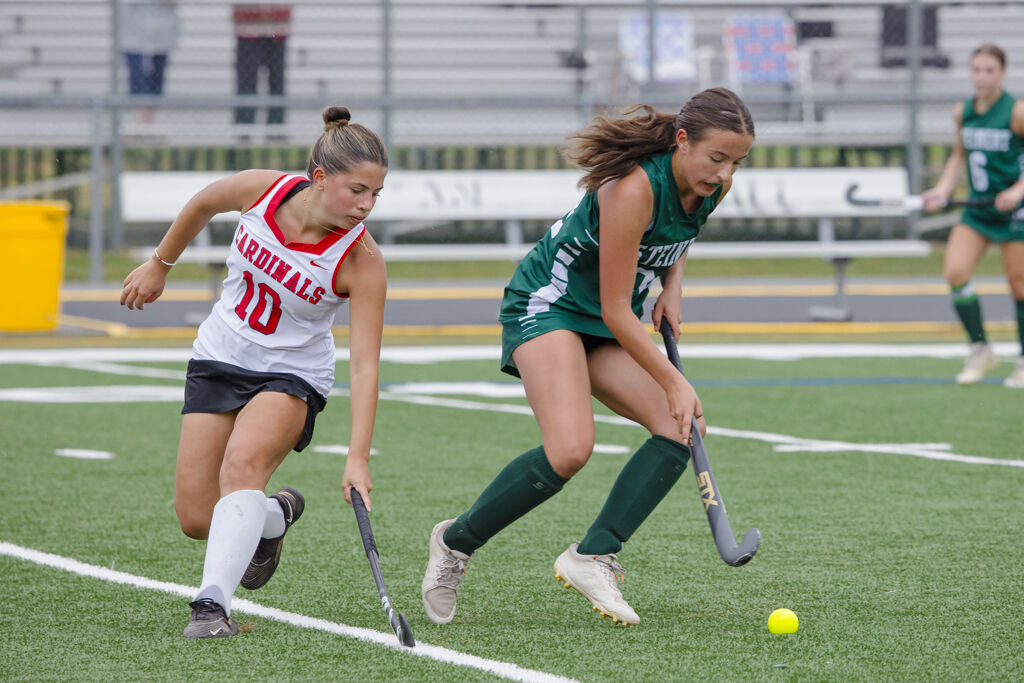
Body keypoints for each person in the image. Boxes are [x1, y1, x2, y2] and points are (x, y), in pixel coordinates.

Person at [421, 88, 754, 628]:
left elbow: (678, 236)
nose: (725, 173)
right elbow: (618, 312)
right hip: (550, 305)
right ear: (682, 140)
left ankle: (593, 554)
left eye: (736, 162)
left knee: (680, 429)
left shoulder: (710, 186)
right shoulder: (633, 188)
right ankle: (455, 542)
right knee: (571, 449)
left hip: (603, 316)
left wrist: (672, 287)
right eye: (717, 158)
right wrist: (673, 380)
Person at [120, 106, 388, 638]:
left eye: (376, 194)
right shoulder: (263, 190)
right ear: (320, 178)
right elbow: (203, 203)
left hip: (291, 374)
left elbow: (364, 367)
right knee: (198, 518)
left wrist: (357, 456)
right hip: (220, 355)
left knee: (242, 466)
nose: (367, 205)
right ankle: (274, 516)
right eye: (358, 190)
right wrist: (160, 264)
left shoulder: (361, 260)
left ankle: (210, 608)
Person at [921, 43, 1024, 388]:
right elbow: (958, 155)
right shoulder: (963, 111)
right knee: (955, 272)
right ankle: (980, 348)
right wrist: (942, 189)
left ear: (1002, 73)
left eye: (989, 70)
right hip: (979, 210)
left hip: (1015, 213)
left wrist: (1017, 191)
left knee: (1019, 285)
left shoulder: (1017, 112)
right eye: (976, 69)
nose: (982, 77)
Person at [118, 0, 179, 125]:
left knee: (156, 82)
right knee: (139, 81)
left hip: (162, 33)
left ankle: (149, 123)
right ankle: (142, 124)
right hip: (134, 34)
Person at [232, 3, 292, 128]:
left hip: (276, 28)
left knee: (277, 82)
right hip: (248, 29)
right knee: (246, 82)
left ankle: (276, 128)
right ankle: (244, 128)